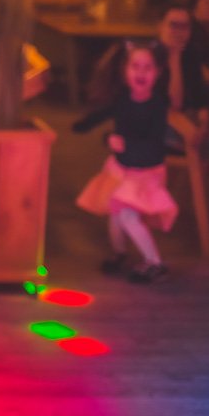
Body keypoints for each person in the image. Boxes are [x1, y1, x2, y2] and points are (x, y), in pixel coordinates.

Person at [73, 41, 178, 284]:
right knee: (116, 212)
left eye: (147, 68)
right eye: (135, 66)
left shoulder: (157, 105)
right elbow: (101, 117)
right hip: (121, 168)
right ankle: (119, 253)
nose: (141, 73)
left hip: (146, 172)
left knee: (127, 216)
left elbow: (154, 145)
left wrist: (125, 145)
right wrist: (101, 135)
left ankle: (155, 262)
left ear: (158, 73)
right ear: (125, 71)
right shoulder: (122, 99)